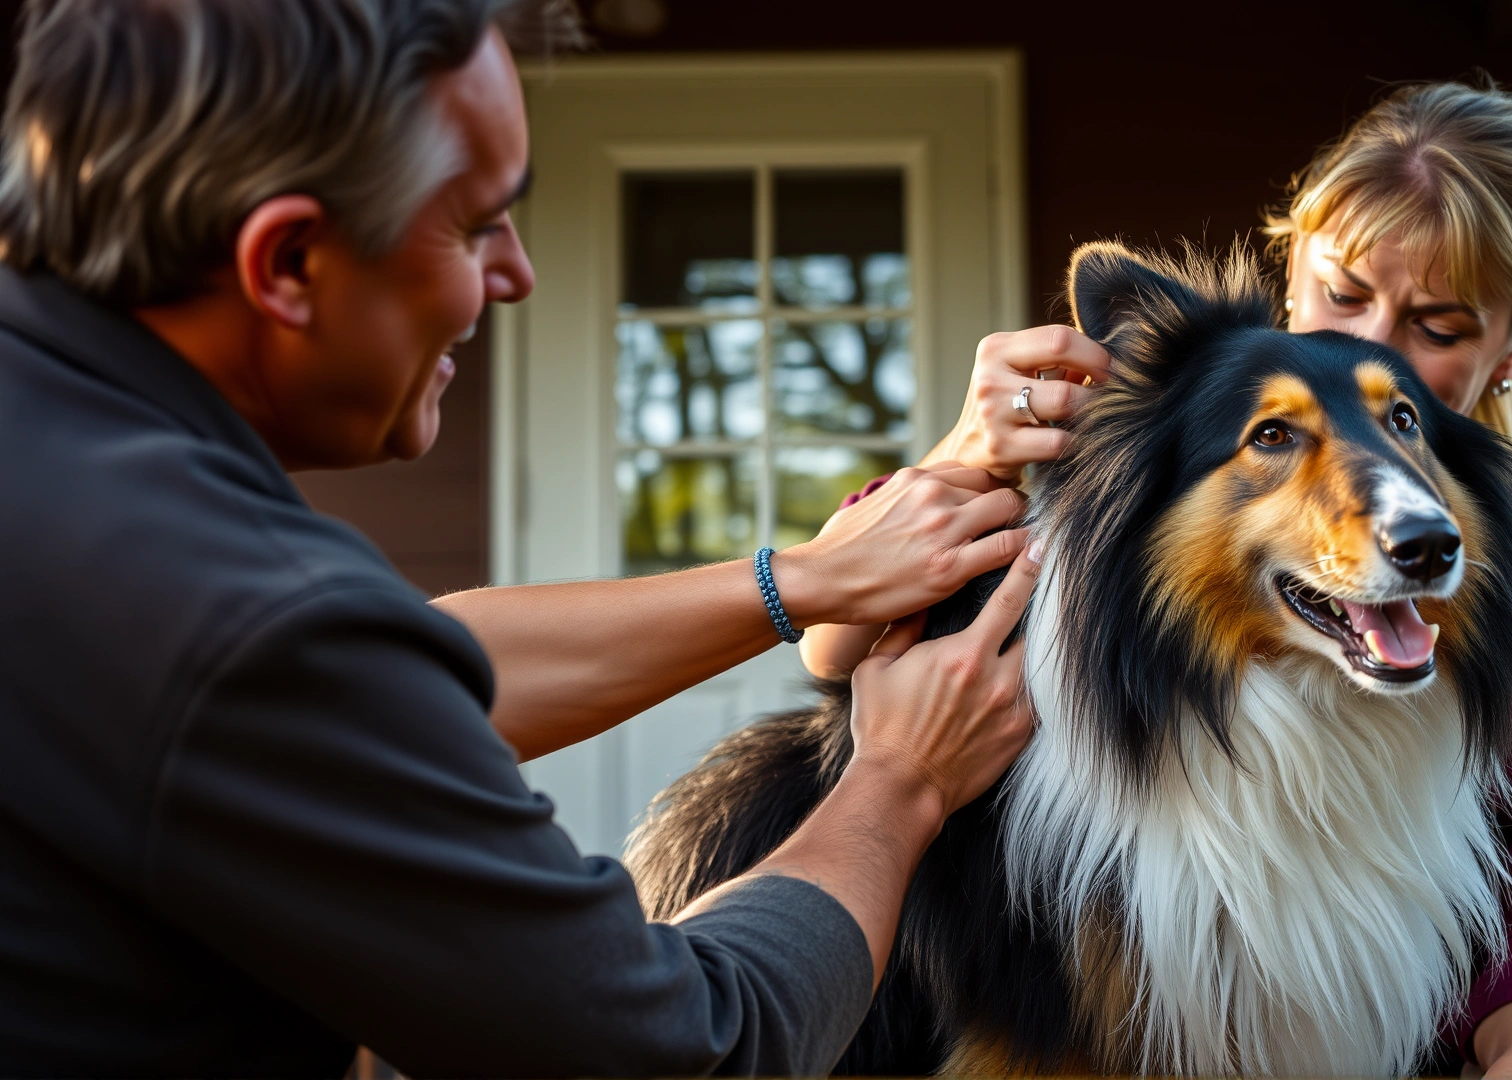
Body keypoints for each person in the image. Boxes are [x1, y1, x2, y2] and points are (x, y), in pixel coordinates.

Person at [0, 1, 1038, 1076]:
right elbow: (686, 1050)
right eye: (476, 224)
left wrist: (807, 581)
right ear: (290, 263)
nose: (517, 273)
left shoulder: (70, 480)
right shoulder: (228, 618)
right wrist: (899, 779)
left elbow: (413, 685)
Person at [803, 82, 1512, 1080]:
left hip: (1441, 1026)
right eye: (1344, 294)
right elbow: (830, 637)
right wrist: (967, 453)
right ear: (1293, 263)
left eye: (1438, 326)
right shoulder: (1166, 450)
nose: (1367, 346)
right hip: (1098, 1007)